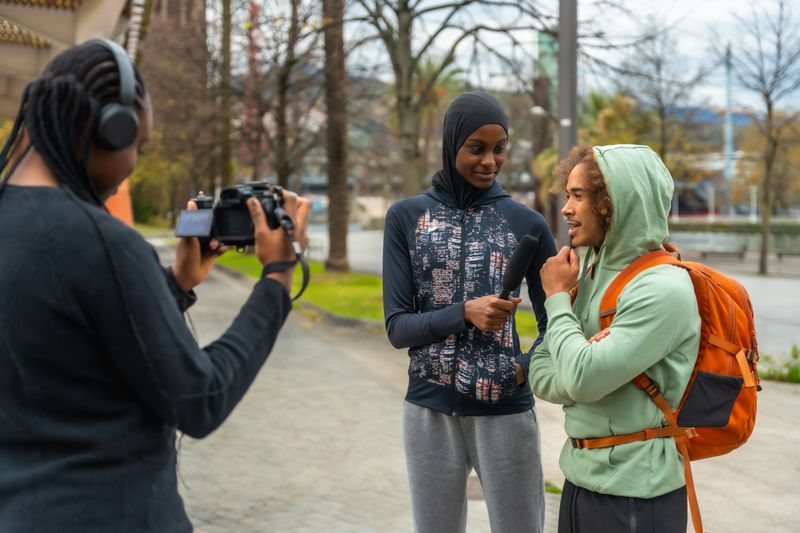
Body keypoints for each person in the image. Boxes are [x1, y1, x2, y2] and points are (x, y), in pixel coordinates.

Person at [0, 40, 310, 532]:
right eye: (138, 147)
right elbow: (199, 399)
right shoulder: (105, 243)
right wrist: (276, 278)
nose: (134, 165)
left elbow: (71, 339)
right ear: (108, 130)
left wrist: (176, 283)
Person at [382, 91, 557, 533]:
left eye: (499, 149)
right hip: (428, 413)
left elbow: (559, 322)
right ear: (451, 144)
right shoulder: (407, 217)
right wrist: (464, 312)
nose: (490, 161)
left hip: (505, 411)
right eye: (476, 148)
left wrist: (522, 368)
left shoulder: (527, 224)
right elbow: (398, 327)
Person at [530, 144, 701, 532]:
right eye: (567, 195)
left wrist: (556, 298)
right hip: (579, 481)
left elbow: (579, 376)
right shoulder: (587, 272)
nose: (565, 209)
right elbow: (545, 368)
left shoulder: (662, 288)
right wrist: (580, 370)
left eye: (578, 196)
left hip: (636, 494)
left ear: (616, 202)